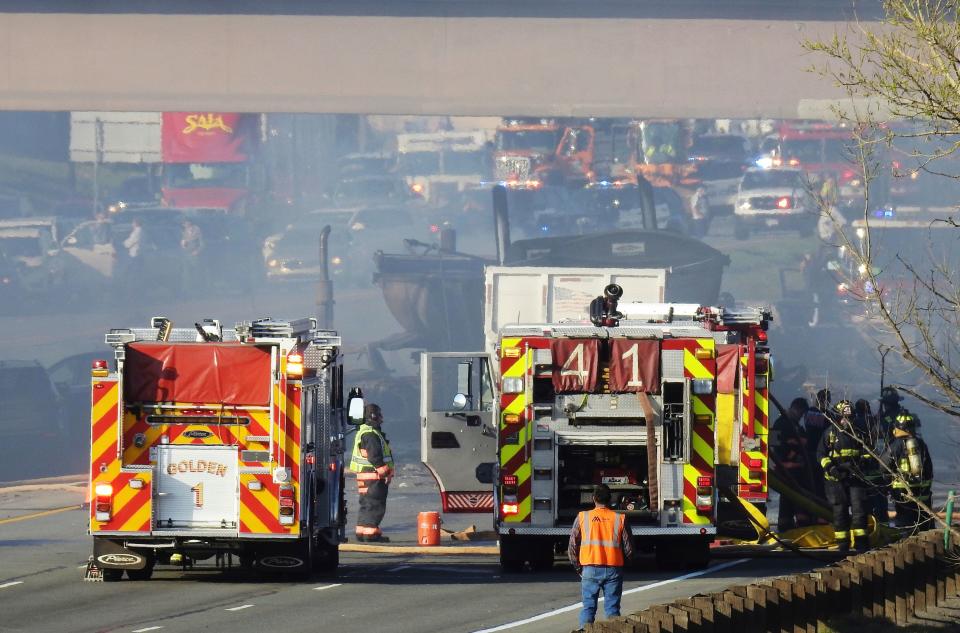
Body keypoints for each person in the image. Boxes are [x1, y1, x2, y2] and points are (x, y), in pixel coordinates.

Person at [568, 484, 634, 630]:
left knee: (588, 608)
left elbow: (572, 546)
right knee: (612, 610)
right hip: (614, 569)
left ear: (593, 498)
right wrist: (625, 566)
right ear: (610, 500)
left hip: (589, 569)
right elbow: (629, 548)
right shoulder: (620, 518)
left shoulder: (582, 517)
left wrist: (579, 568)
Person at [817, 400, 872, 553]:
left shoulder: (859, 433)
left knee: (859, 511)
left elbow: (868, 452)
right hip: (835, 480)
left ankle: (861, 545)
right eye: (844, 418)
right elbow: (820, 454)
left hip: (855, 478)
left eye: (850, 417)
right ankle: (843, 546)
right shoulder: (829, 433)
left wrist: (863, 464)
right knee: (840, 513)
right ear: (836, 417)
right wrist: (831, 467)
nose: (847, 421)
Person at [881, 411, 933, 533]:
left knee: (906, 524)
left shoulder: (895, 445)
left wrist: (889, 484)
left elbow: (883, 466)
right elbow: (929, 467)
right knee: (924, 522)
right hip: (922, 493)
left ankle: (907, 546)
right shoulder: (921, 443)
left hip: (903, 493)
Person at [349, 403, 394, 542]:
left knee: (367, 504)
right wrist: (385, 472)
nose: (382, 418)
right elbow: (374, 456)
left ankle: (362, 531)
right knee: (375, 504)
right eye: (379, 415)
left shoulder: (363, 431)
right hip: (374, 477)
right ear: (373, 416)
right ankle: (370, 533)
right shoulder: (371, 434)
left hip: (365, 476)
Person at [770, 397, 813, 531]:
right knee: (796, 496)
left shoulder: (796, 426)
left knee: (789, 496)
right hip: (788, 468)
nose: (801, 417)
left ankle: (786, 524)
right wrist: (791, 452)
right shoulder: (780, 423)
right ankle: (797, 524)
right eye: (800, 413)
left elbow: (805, 442)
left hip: (794, 468)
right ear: (796, 409)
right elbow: (774, 443)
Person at [803, 389, 831, 499]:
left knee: (811, 481)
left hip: (809, 450)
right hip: (820, 452)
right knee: (820, 483)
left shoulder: (808, 412)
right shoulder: (827, 415)